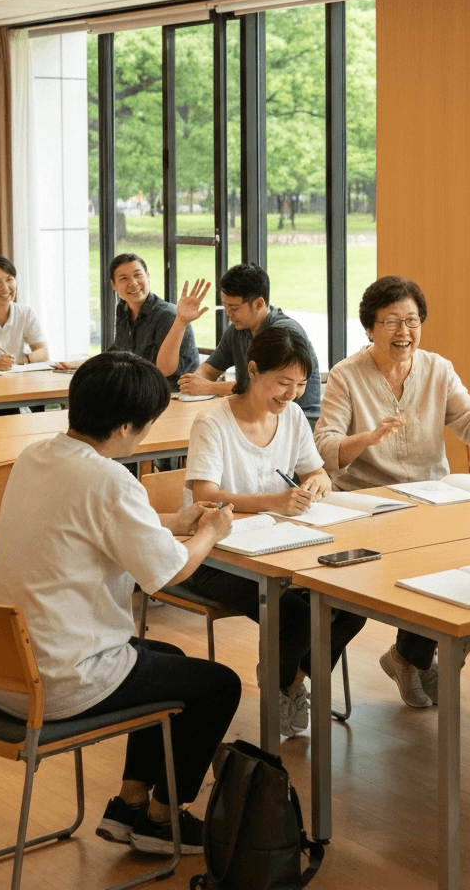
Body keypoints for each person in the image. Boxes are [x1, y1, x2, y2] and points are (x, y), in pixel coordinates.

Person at [0, 352, 241, 855]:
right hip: (59, 681)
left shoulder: (36, 457)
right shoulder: (108, 479)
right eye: (145, 427)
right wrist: (210, 531)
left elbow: (86, 524)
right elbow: (169, 572)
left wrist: (171, 522)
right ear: (125, 427)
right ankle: (165, 820)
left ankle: (130, 805)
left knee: (168, 660)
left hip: (4, 672)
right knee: (219, 685)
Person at [314, 274, 470, 708]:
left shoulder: (437, 369)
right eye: (391, 322)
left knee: (469, 568)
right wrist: (367, 439)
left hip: (432, 502)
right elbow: (324, 445)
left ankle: (409, 657)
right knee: (408, 571)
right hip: (367, 507)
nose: (404, 332)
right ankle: (412, 659)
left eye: (412, 321)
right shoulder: (345, 376)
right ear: (370, 328)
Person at [180, 325, 365, 739]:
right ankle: (285, 684)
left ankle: (289, 679)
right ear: (252, 370)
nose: (291, 395)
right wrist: (276, 502)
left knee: (355, 600)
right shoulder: (213, 421)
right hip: (214, 553)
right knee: (295, 615)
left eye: (300, 385)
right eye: (283, 383)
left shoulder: (294, 416)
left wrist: (318, 482)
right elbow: (206, 494)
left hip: (279, 547)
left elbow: (315, 469)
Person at [178, 262, 321, 424]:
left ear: (259, 304)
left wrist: (209, 387)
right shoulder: (238, 330)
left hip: (298, 419)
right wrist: (193, 384)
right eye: (225, 306)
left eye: (234, 307)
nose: (228, 314)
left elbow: (263, 387)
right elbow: (209, 369)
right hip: (258, 417)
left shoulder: (284, 333)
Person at [108, 253, 203, 390]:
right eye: (124, 278)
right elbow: (120, 350)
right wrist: (88, 364)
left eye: (138, 275)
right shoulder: (123, 308)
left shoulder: (168, 315)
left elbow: (164, 371)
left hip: (172, 393)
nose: (133, 283)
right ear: (114, 285)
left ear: (147, 276)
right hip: (138, 388)